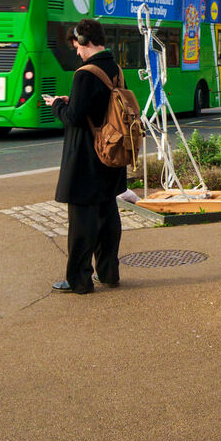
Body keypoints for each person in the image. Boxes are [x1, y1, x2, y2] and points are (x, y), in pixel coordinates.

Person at [48, 19, 127, 294]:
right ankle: (108, 272)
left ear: (84, 41)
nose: (77, 53)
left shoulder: (85, 74)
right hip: (111, 152)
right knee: (107, 215)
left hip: (88, 157)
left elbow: (74, 118)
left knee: (81, 222)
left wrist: (57, 105)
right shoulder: (114, 69)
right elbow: (103, 106)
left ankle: (79, 280)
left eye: (77, 47)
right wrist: (75, 102)